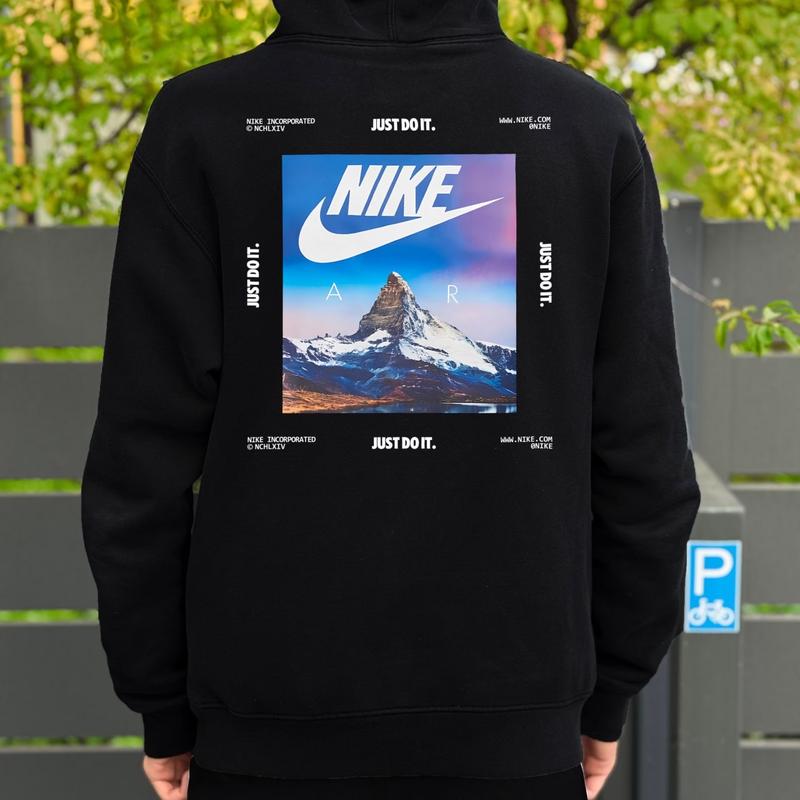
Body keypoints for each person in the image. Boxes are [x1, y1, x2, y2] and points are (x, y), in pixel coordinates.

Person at [81, 1, 701, 799]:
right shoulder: (585, 125)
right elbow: (647, 459)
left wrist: (162, 702)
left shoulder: (204, 120)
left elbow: (139, 461)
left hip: (264, 725)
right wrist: (609, 687)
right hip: (517, 726)